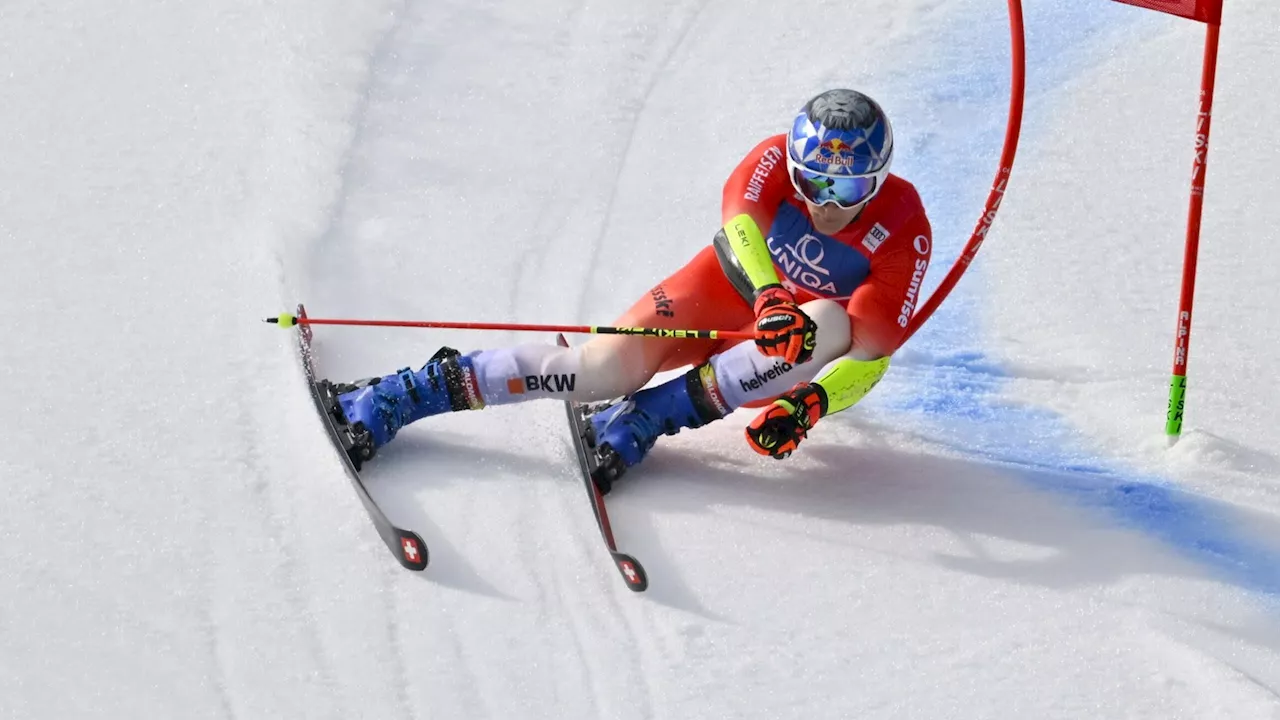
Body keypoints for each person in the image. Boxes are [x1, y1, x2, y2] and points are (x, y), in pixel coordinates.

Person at [321, 88, 933, 493]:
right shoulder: (773, 159)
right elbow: (739, 223)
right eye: (812, 182)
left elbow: (871, 352)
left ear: (878, 182)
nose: (824, 204)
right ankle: (396, 396)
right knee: (597, 371)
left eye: (847, 191)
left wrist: (814, 404)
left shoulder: (904, 227)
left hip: (770, 359)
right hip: (722, 293)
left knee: (826, 320)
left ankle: (649, 417)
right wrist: (771, 295)